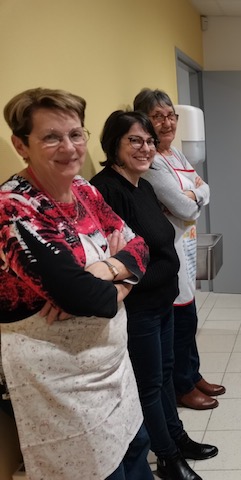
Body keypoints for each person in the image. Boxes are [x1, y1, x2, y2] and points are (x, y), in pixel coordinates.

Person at [0, 88, 152, 479]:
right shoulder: (14, 209)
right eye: (51, 137)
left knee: (136, 453)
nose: (69, 147)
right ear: (21, 145)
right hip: (61, 382)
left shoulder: (84, 190)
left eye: (75, 134)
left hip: (113, 366)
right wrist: (118, 279)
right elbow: (88, 299)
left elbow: (140, 247)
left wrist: (106, 271)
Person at [91, 110, 217, 480]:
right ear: (113, 144)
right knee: (149, 385)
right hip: (139, 308)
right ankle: (167, 458)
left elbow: (152, 247)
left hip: (162, 302)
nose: (145, 148)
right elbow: (123, 263)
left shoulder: (142, 185)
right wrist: (153, 270)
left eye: (149, 141)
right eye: (135, 140)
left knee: (163, 376)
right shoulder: (106, 191)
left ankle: (177, 439)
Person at [133, 88, 224, 411]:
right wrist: (193, 198)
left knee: (190, 316)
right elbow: (184, 208)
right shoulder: (152, 164)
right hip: (168, 249)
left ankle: (193, 374)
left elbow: (204, 189)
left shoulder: (176, 155)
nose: (168, 122)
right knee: (181, 319)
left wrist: (193, 196)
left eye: (171, 115)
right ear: (144, 121)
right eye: (158, 117)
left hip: (186, 243)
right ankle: (182, 386)